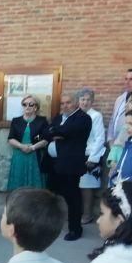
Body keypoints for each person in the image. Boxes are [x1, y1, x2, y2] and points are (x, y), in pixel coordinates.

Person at [43, 93, 92, 241]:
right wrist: (54, 133)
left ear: (76, 103)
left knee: (72, 198)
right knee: (52, 196)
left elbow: (64, 131)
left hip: (69, 166)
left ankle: (75, 229)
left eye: (68, 102)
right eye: (62, 103)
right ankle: (50, 224)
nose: (64, 106)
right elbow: (45, 133)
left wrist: (55, 132)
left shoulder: (83, 118)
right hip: (54, 165)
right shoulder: (58, 117)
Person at [6, 95, 48, 190]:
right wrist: (21, 146)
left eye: (31, 104)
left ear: (36, 107)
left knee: (35, 184)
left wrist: (32, 148)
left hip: (35, 155)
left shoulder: (42, 121)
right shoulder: (16, 121)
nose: (27, 107)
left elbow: (45, 140)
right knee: (18, 182)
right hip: (20, 156)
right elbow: (11, 138)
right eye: (24, 104)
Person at [78, 89, 106, 223]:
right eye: (82, 99)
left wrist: (92, 158)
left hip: (90, 154)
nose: (85, 102)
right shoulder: (75, 115)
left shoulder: (96, 116)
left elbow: (100, 138)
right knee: (76, 186)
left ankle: (87, 214)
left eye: (88, 99)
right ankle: (77, 212)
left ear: (92, 101)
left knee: (87, 187)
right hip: (76, 155)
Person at [107, 67, 132, 144]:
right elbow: (113, 120)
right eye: (126, 79)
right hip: (113, 144)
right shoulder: (120, 98)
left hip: (130, 143)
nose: (127, 82)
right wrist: (110, 139)